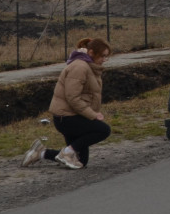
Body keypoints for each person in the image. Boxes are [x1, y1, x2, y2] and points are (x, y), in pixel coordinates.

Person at [21, 37, 113, 170]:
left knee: (81, 161)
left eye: (106, 57)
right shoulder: (80, 67)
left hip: (75, 116)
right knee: (103, 130)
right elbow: (72, 97)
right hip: (67, 118)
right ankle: (67, 152)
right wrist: (93, 114)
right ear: (91, 53)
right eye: (103, 56)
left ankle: (40, 153)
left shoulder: (89, 66)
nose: (104, 60)